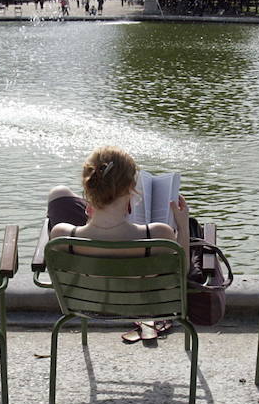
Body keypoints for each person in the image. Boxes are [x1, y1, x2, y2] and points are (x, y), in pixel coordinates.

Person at [46, 146, 188, 341]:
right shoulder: (159, 234)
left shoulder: (62, 235)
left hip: (86, 305)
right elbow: (182, 272)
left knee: (59, 194)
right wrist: (183, 225)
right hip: (143, 305)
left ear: (89, 187)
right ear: (132, 188)